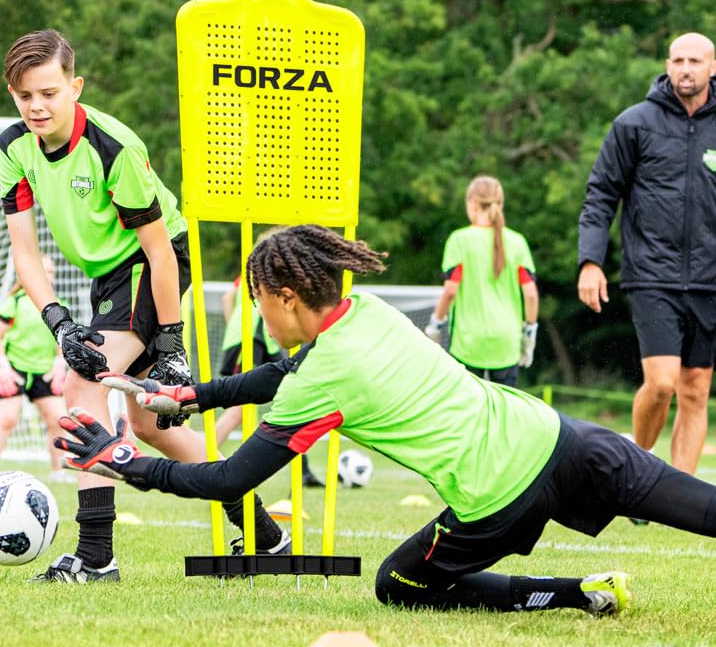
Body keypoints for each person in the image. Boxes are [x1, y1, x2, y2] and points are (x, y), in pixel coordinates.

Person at [57, 225, 716, 617]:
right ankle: (589, 591)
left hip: (497, 497)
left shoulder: (320, 382)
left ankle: (573, 594)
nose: (258, 317)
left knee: (398, 584)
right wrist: (194, 397)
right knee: (702, 507)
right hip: (560, 436)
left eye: (260, 302)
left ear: (287, 298)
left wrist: (123, 461)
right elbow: (280, 374)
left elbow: (228, 479)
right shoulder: (365, 310)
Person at [0, 29, 287, 583]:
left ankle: (95, 557)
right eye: (24, 95)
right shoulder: (12, 147)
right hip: (109, 278)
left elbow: (159, 251)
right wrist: (57, 322)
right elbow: (25, 252)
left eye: (50, 93)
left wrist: (172, 346)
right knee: (151, 425)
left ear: (74, 87)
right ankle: (265, 534)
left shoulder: (114, 147)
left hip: (153, 265)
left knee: (82, 388)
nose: (37, 106)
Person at [578, 32, 716, 475]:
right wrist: (590, 261)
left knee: (695, 390)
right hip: (651, 274)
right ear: (667, 65)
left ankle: (678, 497)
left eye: (695, 60)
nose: (685, 68)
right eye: (678, 60)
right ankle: (634, 472)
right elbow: (600, 195)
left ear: (712, 67)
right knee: (661, 383)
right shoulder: (635, 123)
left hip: (710, 279)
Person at [216, 264, 323, 488]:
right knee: (240, 409)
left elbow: (229, 297)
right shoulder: (267, 270)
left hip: (266, 338)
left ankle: (302, 470)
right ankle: (199, 454)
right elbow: (227, 297)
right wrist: (237, 326)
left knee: (294, 395)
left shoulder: (260, 269)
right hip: (252, 336)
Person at [425, 176, 538, 386]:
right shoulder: (517, 241)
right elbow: (530, 294)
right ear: (500, 204)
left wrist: (435, 326)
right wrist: (529, 335)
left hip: (468, 344)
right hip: (507, 344)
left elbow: (450, 291)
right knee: (504, 413)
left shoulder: (459, 240)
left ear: (472, 205)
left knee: (469, 414)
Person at [0, 254, 70, 484]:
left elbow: (63, 340)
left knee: (58, 419)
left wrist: (59, 365)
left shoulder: (59, 306)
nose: (48, 276)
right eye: (43, 271)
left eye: (50, 271)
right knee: (6, 419)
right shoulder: (15, 302)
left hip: (44, 372)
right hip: (16, 370)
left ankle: (58, 471)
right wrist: (3, 367)